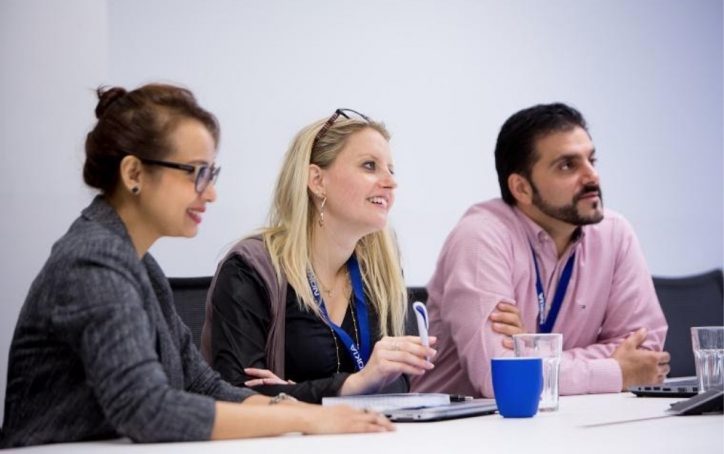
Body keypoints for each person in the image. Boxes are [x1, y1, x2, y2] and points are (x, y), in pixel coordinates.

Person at [0, 86, 392, 448]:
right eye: (196, 173)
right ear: (134, 173)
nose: (211, 192)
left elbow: (203, 384)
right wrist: (309, 421)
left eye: (212, 173)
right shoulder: (93, 262)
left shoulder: (139, 265)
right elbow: (148, 410)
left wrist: (308, 411)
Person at [411, 103, 670, 398]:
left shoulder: (614, 232)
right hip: (461, 430)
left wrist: (531, 353)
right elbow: (501, 379)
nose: (592, 177)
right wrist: (615, 370)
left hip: (571, 420)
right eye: (567, 166)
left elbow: (646, 355)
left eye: (591, 160)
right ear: (522, 188)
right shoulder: (481, 237)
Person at [201, 109, 442, 403]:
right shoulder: (251, 269)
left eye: (391, 169)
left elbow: (399, 385)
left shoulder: (379, 271)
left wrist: (292, 392)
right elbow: (235, 394)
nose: (390, 182)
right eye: (370, 166)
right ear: (317, 180)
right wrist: (354, 385)